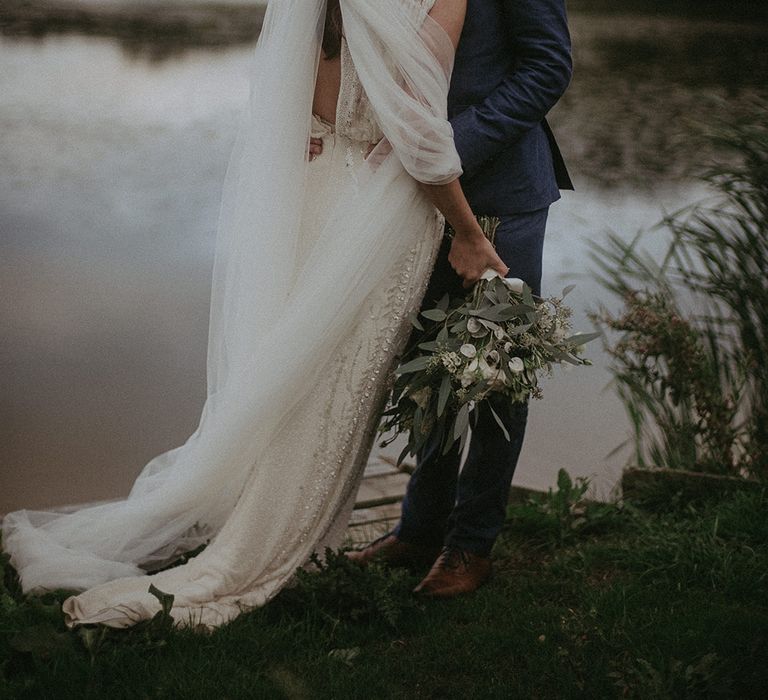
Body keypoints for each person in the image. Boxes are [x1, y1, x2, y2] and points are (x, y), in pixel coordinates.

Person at [1, 0, 507, 630]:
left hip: (314, 189)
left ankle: (264, 515)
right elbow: (417, 128)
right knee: (331, 390)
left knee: (292, 372)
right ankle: (265, 541)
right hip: (375, 212)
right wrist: (467, 232)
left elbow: (291, 104)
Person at [341, 0, 574, 597]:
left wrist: (444, 147)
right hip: (413, 197)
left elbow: (547, 68)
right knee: (428, 372)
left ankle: (471, 545)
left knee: (496, 375)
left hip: (499, 193)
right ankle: (419, 529)